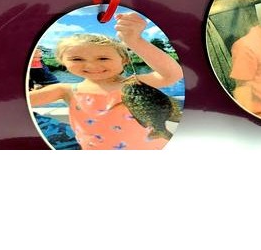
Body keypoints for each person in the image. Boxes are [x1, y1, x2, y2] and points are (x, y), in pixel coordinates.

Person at [28, 12, 183, 150]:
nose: (91, 65)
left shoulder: (135, 83)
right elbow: (21, 102)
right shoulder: (64, 90)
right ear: (63, 62)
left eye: (103, 58)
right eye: (77, 59)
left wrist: (135, 41)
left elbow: (172, 75)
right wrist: (31, 63)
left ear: (124, 60)